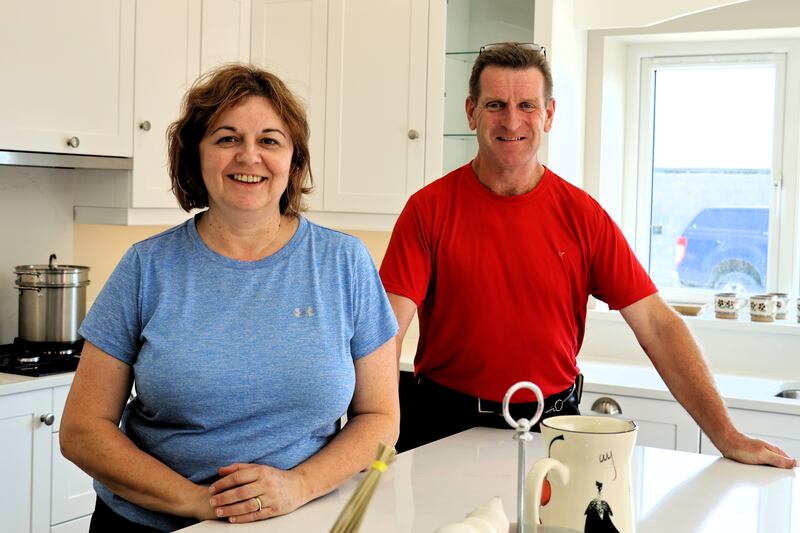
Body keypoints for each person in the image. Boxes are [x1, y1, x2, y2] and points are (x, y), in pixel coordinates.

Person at [379, 42, 796, 469]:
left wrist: (726, 435)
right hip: (444, 426)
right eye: (495, 105)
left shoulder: (582, 216)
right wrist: (375, 431)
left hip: (555, 431)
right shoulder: (428, 210)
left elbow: (656, 325)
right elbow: (385, 333)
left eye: (527, 105)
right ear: (470, 112)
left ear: (549, 114)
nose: (511, 120)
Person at [60, 64, 400, 532]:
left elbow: (381, 419)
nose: (249, 156)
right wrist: (199, 503)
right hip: (153, 524)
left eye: (269, 140)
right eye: (226, 138)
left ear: (293, 160)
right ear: (196, 157)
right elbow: (82, 430)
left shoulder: (344, 262)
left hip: (301, 520)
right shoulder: (147, 266)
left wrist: (299, 485)